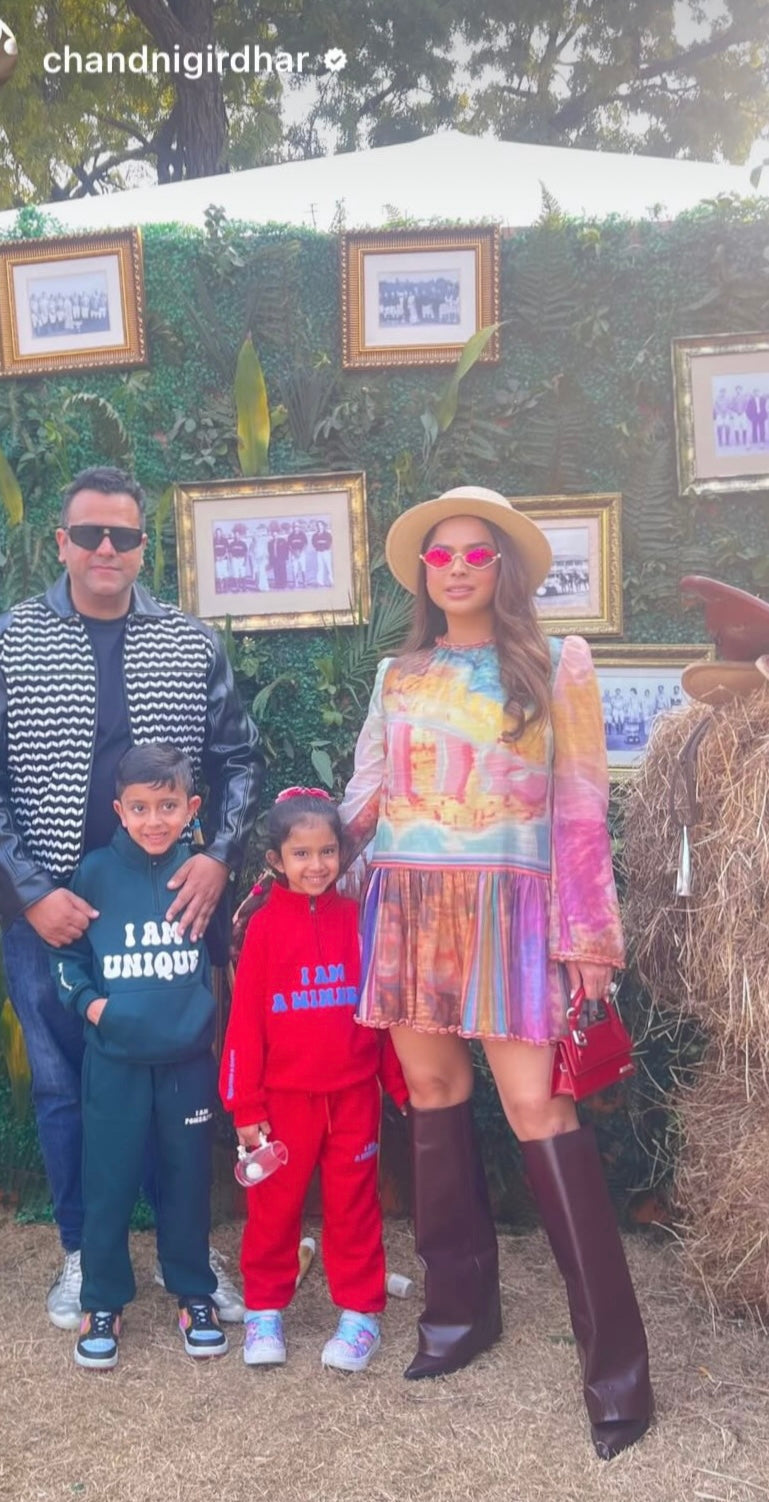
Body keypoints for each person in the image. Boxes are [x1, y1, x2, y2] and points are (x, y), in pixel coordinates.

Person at [334, 487, 651, 1458]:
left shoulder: (557, 664)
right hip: (408, 904)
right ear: (423, 574)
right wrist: (311, 855)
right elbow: (367, 792)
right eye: (442, 555)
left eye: (477, 552)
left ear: (504, 567)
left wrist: (588, 939)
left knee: (538, 1111)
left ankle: (617, 1372)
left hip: (514, 915)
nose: (459, 567)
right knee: (431, 1094)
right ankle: (458, 1314)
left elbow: (583, 810)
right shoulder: (397, 674)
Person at [0, 465, 264, 1333]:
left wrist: (219, 858)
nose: (104, 548)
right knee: (62, 1084)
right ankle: (85, 1254)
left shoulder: (190, 643)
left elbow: (238, 759)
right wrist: (30, 892)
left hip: (170, 905)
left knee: (177, 1076)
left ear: (141, 547)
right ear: (61, 542)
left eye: (121, 535)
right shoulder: (6, 643)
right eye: (88, 533)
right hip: (52, 908)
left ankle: (186, 1256)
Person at [51, 743, 226, 1369]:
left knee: (187, 1181)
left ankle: (194, 1292)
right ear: (119, 810)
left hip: (187, 1062)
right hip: (115, 1060)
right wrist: (96, 1008)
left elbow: (225, 956)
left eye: (168, 806)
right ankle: (103, 1301)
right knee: (109, 1182)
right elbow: (67, 960)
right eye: (141, 807)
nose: (155, 820)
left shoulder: (202, 874)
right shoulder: (94, 872)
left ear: (191, 807)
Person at [220, 789, 408, 1371]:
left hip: (353, 1098)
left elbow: (380, 1012)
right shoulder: (262, 929)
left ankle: (360, 1314)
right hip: (281, 1105)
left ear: (341, 853)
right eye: (301, 854)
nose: (317, 865)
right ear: (276, 860)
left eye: (327, 851)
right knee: (272, 1211)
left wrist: (401, 1085)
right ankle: (263, 1311)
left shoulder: (357, 920)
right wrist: (245, 1105)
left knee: (354, 1207)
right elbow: (244, 1025)